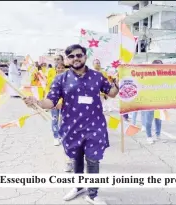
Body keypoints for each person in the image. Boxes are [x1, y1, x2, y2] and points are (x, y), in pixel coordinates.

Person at [24, 44, 119, 204]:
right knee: (76, 158)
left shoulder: (97, 76)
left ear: (85, 56)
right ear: (67, 59)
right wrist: (37, 102)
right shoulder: (60, 79)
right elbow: (51, 101)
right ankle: (79, 186)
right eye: (72, 56)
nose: (76, 58)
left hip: (94, 126)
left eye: (79, 55)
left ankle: (93, 194)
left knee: (93, 159)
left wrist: (118, 83)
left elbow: (112, 93)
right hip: (71, 127)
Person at [143, 60, 163, 144]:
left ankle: (158, 135)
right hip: (149, 101)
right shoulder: (148, 76)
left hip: (160, 100)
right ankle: (149, 136)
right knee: (149, 120)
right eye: (159, 66)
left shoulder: (164, 76)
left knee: (158, 119)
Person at [46, 62, 66, 146]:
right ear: (56, 69)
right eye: (58, 67)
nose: (60, 69)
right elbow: (48, 91)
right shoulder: (51, 79)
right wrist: (48, 103)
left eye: (62, 68)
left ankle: (62, 136)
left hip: (64, 104)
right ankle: (56, 137)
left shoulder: (67, 79)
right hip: (54, 103)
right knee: (55, 120)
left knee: (63, 120)